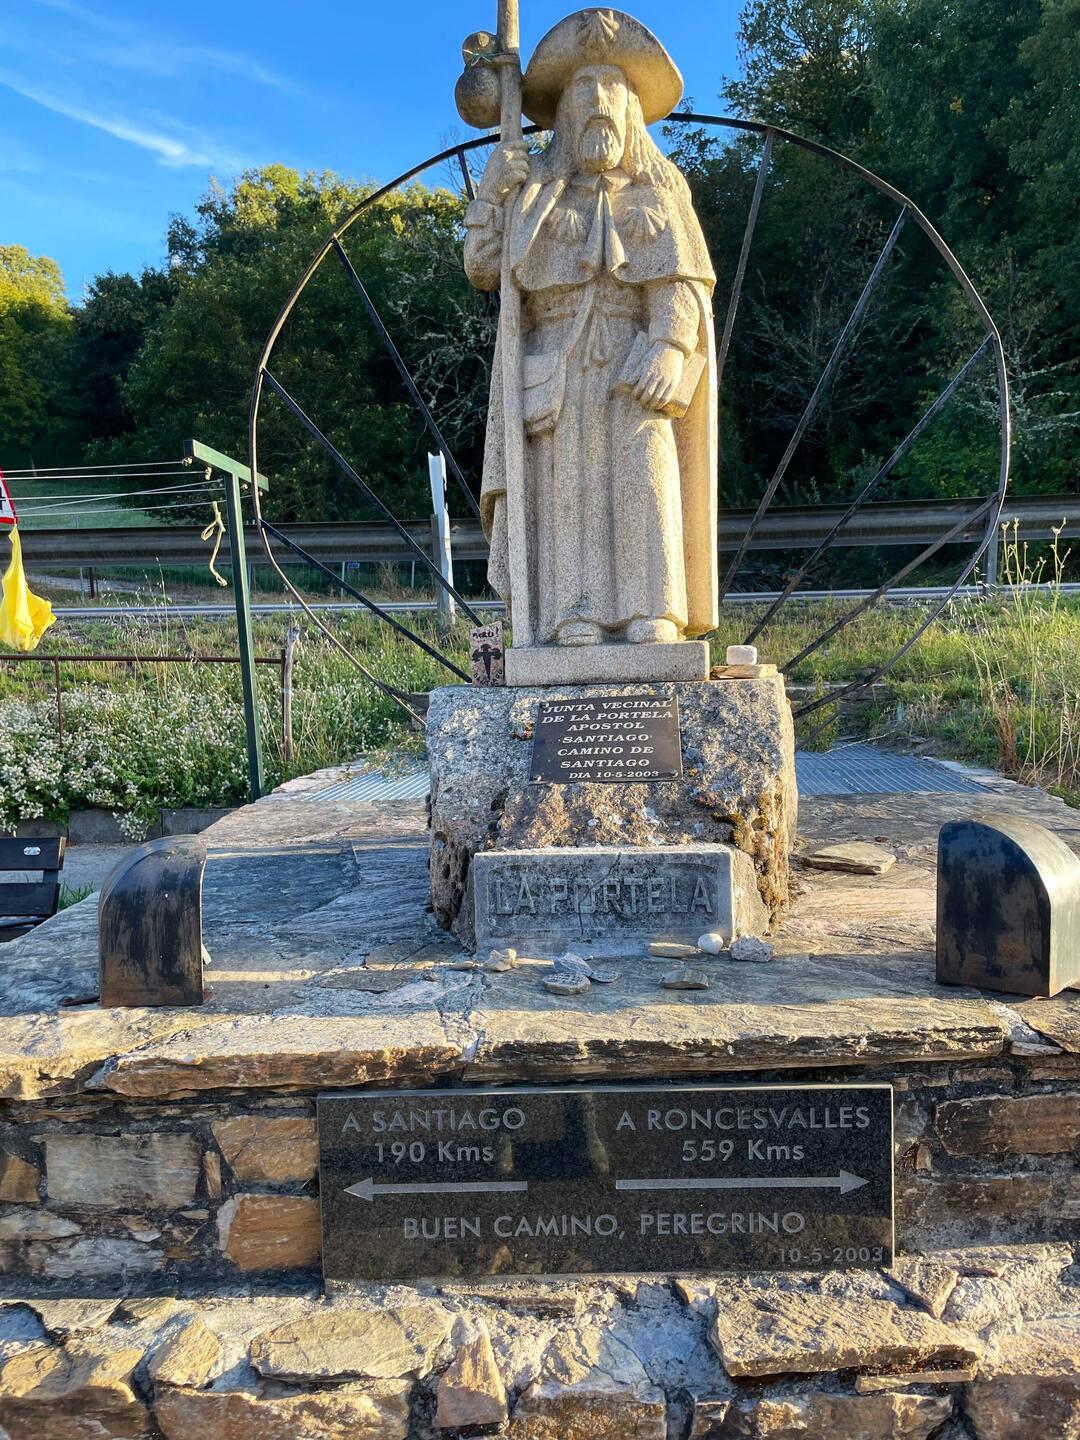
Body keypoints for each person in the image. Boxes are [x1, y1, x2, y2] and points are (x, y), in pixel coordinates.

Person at [465, 8, 718, 650]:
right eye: (584, 94)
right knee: (566, 491)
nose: (599, 105)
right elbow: (485, 269)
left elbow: (682, 283)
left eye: (612, 93)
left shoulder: (660, 195)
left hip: (635, 360)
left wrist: (670, 344)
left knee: (644, 479)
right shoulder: (534, 195)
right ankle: (569, 614)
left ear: (632, 113)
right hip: (555, 367)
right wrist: (493, 195)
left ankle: (652, 609)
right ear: (565, 117)